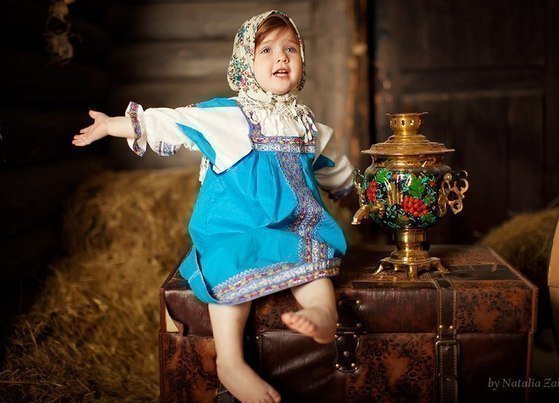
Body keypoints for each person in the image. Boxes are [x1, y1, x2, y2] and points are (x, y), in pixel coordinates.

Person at [73, 10, 354, 403]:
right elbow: (171, 122)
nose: (281, 57)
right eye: (267, 50)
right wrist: (112, 125)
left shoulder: (306, 124)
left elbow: (333, 167)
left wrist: (354, 193)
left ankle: (323, 316)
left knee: (315, 265)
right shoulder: (227, 115)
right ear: (244, 63)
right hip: (234, 227)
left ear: (303, 61)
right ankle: (231, 362)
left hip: (294, 226)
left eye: (291, 49)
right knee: (229, 272)